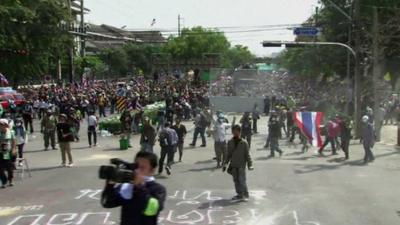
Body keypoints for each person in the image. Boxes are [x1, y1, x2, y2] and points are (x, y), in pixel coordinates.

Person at [101, 151, 166, 225]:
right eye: (136, 166)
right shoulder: (126, 187)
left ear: (152, 171)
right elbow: (107, 202)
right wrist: (110, 184)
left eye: (142, 168)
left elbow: (151, 209)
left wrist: (139, 186)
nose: (137, 170)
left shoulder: (158, 189)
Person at [224, 125, 253, 201]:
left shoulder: (244, 143)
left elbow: (247, 155)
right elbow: (228, 155)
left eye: (236, 131)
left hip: (241, 165)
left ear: (239, 132)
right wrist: (225, 164)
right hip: (233, 165)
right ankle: (239, 194)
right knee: (236, 180)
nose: (234, 133)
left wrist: (250, 165)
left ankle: (245, 194)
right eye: (233, 131)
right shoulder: (230, 142)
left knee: (242, 180)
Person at [0, 119, 16, 188]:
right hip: (0, 152)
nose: (0, 126)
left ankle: (11, 180)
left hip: (8, 152)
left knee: (9, 168)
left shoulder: (11, 132)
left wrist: (13, 149)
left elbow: (14, 141)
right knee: (0, 169)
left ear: (5, 125)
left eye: (1, 125)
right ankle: (4, 181)